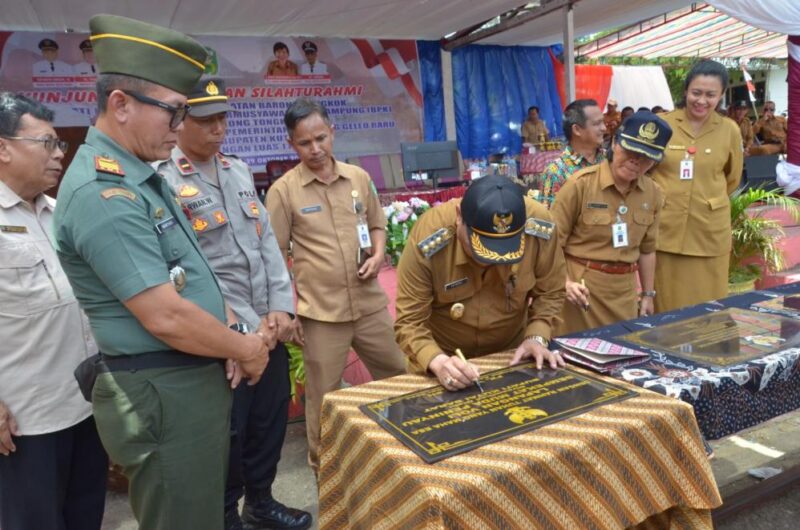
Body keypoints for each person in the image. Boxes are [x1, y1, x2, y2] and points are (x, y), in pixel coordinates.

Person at [53, 15, 270, 530]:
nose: (180, 129)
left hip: (184, 384)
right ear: (121, 105)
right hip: (162, 392)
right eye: (173, 113)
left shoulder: (138, 177)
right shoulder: (103, 193)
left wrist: (229, 335)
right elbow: (165, 315)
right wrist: (244, 346)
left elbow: (190, 275)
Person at [156, 78, 312, 530]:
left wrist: (281, 309)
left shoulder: (238, 171)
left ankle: (260, 504)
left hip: (268, 328)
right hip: (221, 339)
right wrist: (245, 333)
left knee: (268, 423)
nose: (218, 129)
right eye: (206, 120)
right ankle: (225, 515)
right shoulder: (163, 182)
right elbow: (185, 271)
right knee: (229, 435)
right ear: (181, 121)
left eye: (223, 118)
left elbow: (267, 247)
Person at [266, 98, 405, 474]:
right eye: (304, 143)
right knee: (324, 399)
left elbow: (377, 224)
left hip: (370, 306)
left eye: (321, 138)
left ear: (332, 132)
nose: (315, 149)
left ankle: (405, 454)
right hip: (322, 315)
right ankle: (324, 471)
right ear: (292, 144)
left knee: (400, 376)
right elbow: (274, 254)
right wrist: (287, 310)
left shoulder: (357, 178)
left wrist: (377, 255)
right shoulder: (283, 191)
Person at [0, 92, 107, 530]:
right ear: (3, 147)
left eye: (59, 144)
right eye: (46, 143)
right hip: (27, 421)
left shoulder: (56, 213)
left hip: (84, 406)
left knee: (84, 516)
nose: (59, 154)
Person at [394, 175, 566, 390]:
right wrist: (437, 361)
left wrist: (537, 337)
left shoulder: (539, 227)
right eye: (482, 249)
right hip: (444, 358)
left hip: (511, 354)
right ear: (459, 218)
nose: (493, 262)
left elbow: (551, 291)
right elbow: (409, 322)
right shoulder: (430, 237)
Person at [551, 111, 672, 335]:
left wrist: (647, 294)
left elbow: (647, 250)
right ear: (615, 143)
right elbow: (551, 244)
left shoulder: (653, 193)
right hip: (581, 294)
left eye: (646, 157)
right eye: (630, 151)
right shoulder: (580, 185)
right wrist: (565, 282)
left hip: (624, 294)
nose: (636, 161)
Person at [650, 59, 743, 313]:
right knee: (667, 308)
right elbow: (646, 171)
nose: (702, 101)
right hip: (666, 230)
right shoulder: (662, 124)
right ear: (686, 91)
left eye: (711, 95)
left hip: (708, 232)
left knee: (709, 311)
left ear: (721, 95)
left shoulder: (729, 130)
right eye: (696, 93)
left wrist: (706, 198)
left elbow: (732, 178)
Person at [537, 99, 606, 207]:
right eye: (597, 124)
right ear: (577, 129)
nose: (604, 128)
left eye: (603, 122)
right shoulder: (555, 172)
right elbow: (548, 219)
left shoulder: (611, 159)